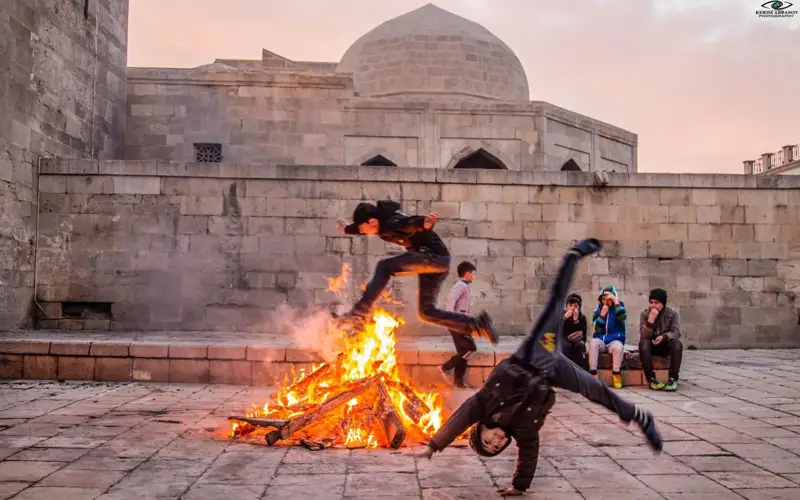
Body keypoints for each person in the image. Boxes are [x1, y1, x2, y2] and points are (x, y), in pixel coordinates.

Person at [417, 238, 662, 497]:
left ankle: (572, 256)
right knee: (595, 389)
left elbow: (461, 417)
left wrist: (435, 445)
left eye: (488, 440)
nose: (496, 441)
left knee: (555, 306)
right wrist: (519, 486)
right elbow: (529, 454)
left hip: (533, 356)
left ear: (482, 427)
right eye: (496, 447)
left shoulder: (484, 404)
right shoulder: (524, 430)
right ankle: (640, 417)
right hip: (552, 371)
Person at [335, 200, 497, 344]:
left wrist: (422, 222)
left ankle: (360, 312)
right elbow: (361, 227)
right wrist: (347, 229)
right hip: (436, 261)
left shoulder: (391, 222)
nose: (363, 233)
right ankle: (477, 325)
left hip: (432, 257)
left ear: (372, 222)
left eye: (363, 230)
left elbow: (407, 223)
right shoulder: (379, 220)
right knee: (426, 312)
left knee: (385, 267)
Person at [440, 261, 478, 388]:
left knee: (463, 352)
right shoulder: (461, 286)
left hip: (461, 323)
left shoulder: (463, 286)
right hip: (458, 324)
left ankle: (459, 381)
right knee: (470, 348)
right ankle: (445, 367)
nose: (473, 277)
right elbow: (450, 300)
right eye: (473, 274)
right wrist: (451, 319)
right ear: (467, 274)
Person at [639, 288, 683, 391]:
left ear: (663, 304)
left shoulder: (672, 314)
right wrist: (650, 320)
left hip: (665, 345)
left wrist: (664, 337)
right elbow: (643, 335)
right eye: (651, 302)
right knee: (643, 343)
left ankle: (673, 379)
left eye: (656, 302)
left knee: (677, 344)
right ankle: (651, 379)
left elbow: (676, 332)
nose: (653, 305)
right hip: (651, 346)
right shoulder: (644, 314)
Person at [589, 286, 627, 389]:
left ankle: (616, 374)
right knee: (593, 343)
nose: (606, 301)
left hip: (614, 340)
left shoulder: (620, 307)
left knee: (619, 348)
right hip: (601, 339)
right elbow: (597, 329)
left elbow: (622, 317)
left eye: (608, 298)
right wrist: (602, 314)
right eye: (603, 298)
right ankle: (593, 374)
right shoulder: (598, 309)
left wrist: (615, 301)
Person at [561, 293, 588, 370]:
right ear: (566, 306)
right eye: (570, 305)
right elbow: (557, 329)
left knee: (580, 346)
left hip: (577, 340)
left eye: (575, 306)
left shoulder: (582, 317)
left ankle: (581, 371)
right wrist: (565, 318)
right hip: (564, 339)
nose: (572, 308)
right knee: (565, 346)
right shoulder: (562, 315)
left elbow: (583, 335)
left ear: (579, 307)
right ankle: (565, 370)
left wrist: (576, 320)